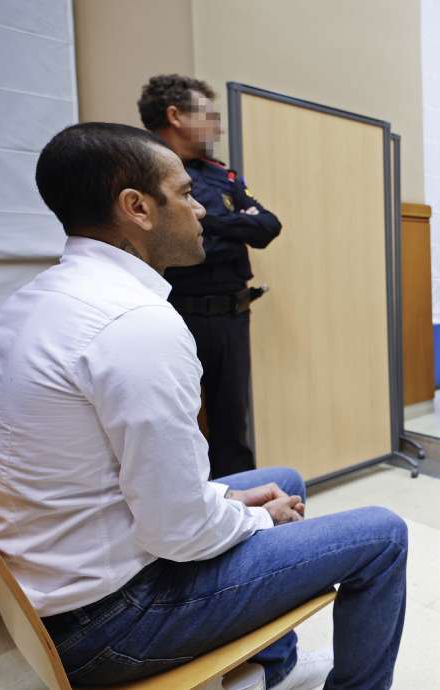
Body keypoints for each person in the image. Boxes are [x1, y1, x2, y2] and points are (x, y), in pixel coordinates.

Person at [0, 123, 406, 690]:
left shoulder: (35, 299)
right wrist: (251, 515)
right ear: (137, 207)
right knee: (382, 535)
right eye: (187, 193)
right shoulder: (135, 324)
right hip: (104, 625)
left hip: (43, 592)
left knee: (281, 479)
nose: (201, 211)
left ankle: (269, 669)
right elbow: (177, 532)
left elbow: (124, 483)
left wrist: (235, 501)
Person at [139, 74, 281, 478]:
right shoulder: (142, 169)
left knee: (232, 427)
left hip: (232, 313)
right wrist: (235, 222)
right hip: (175, 314)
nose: (217, 125)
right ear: (175, 116)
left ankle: (247, 515)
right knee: (173, 425)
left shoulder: (222, 175)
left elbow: (268, 226)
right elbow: (170, 241)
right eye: (208, 114)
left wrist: (206, 220)